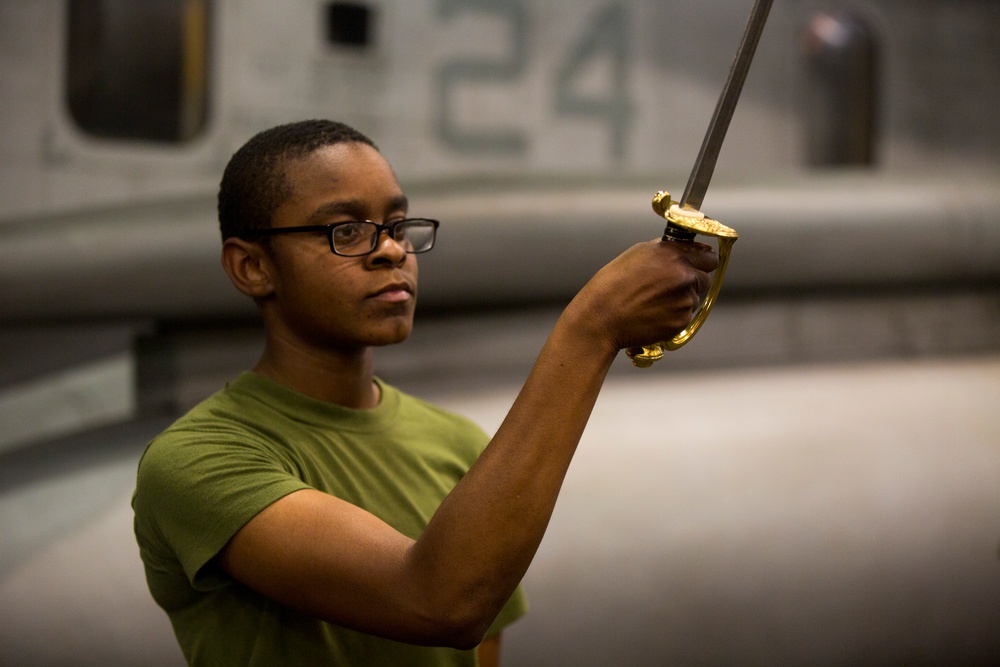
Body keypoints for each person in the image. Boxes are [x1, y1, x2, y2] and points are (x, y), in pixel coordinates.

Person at [132, 119, 718, 666]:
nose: (391, 250)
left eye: (396, 225)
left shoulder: (458, 445)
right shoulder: (196, 462)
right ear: (251, 267)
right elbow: (438, 601)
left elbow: (481, 646)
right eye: (347, 231)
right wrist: (594, 327)